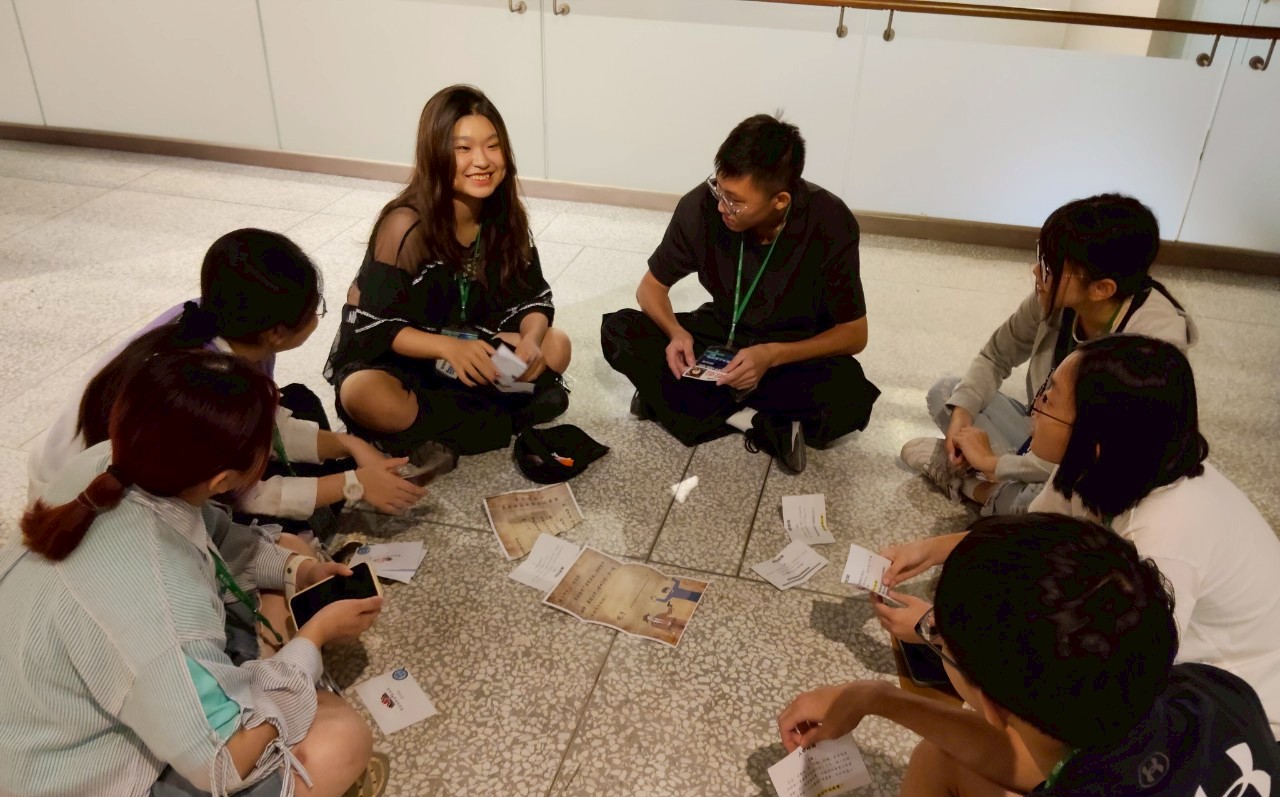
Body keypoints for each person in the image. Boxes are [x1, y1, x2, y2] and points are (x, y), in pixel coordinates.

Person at [0, 352, 386, 797]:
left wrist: (298, 571)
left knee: (287, 565)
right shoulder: (161, 605)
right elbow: (220, 763)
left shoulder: (108, 462)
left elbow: (213, 535)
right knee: (339, 744)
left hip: (47, 721)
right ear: (224, 480)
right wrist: (312, 639)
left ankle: (275, 657)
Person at [781, 514, 1280, 797]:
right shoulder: (1213, 695)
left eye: (938, 638)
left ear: (992, 705)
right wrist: (875, 697)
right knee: (942, 757)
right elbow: (1039, 764)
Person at [875, 335, 1280, 735]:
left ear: (1096, 439)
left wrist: (937, 631)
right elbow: (1030, 539)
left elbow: (1113, 679)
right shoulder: (1107, 463)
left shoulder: (1165, 537)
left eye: (1047, 403)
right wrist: (931, 549)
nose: (1032, 412)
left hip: (1236, 708)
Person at [26, 228, 425, 532]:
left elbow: (266, 424)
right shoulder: (204, 386)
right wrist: (353, 484)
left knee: (300, 403)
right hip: (96, 507)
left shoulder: (212, 319)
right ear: (277, 332)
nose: (317, 316)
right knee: (271, 538)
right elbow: (243, 492)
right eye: (314, 309)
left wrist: (350, 445)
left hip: (122, 466)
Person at [601, 114, 879, 474]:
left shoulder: (829, 221)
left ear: (780, 200)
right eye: (719, 189)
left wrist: (772, 355)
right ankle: (759, 420)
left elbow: (854, 334)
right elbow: (650, 288)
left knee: (850, 397)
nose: (722, 206)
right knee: (620, 330)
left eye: (735, 201)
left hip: (789, 347)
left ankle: (678, 400)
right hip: (722, 331)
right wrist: (676, 333)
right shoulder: (701, 206)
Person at [901, 194, 1196, 514]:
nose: (1035, 271)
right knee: (949, 393)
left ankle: (974, 486)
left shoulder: (1150, 346)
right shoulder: (1057, 298)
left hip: (1096, 470)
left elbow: (1103, 458)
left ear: (1102, 288)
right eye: (1041, 257)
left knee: (1045, 507)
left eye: (1049, 267)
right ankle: (996, 483)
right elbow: (995, 356)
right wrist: (962, 419)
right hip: (1043, 438)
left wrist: (993, 462)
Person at [326, 84, 572, 466]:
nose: (482, 161)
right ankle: (494, 416)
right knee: (363, 394)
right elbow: (377, 326)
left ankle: (444, 428)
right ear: (435, 152)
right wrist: (446, 347)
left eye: (493, 146)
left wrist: (531, 339)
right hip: (406, 360)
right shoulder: (404, 225)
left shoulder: (505, 216)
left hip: (472, 346)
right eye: (463, 149)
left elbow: (532, 299)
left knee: (556, 345)